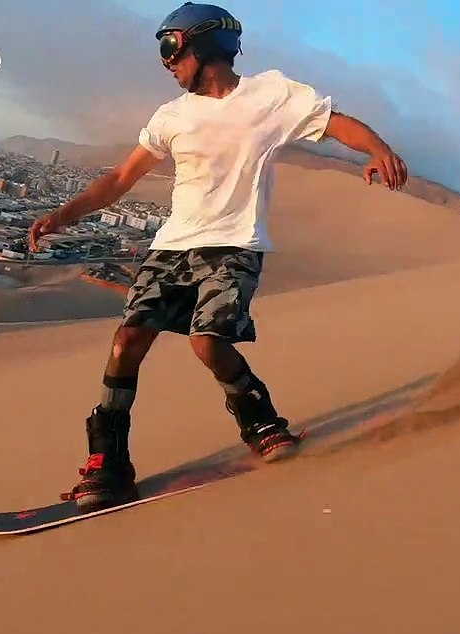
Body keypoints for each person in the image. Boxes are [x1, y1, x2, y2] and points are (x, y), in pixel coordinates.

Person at [27, 2, 409, 512]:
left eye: (170, 47)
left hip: (233, 244)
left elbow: (335, 124)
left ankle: (262, 423)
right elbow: (121, 178)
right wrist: (65, 214)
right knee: (127, 340)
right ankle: (108, 463)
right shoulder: (171, 117)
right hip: (172, 245)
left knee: (208, 342)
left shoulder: (270, 95)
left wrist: (377, 149)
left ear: (203, 45)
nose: (165, 62)